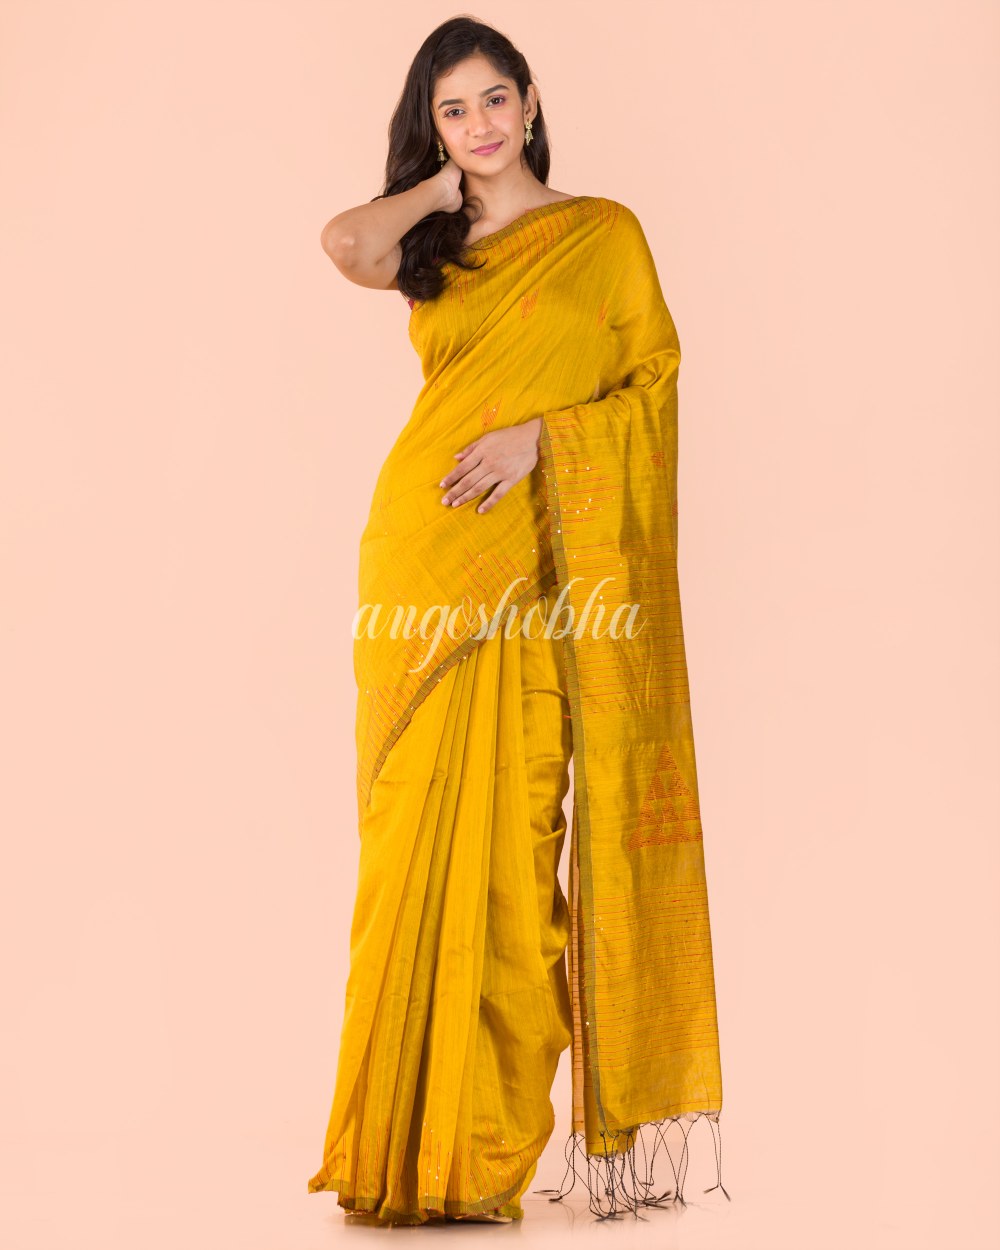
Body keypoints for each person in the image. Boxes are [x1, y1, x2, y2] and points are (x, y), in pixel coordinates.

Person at [306, 15, 728, 1225]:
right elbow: (343, 241)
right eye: (453, 109)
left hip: (544, 572)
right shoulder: (429, 244)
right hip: (424, 559)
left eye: (495, 99)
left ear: (531, 101)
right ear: (432, 128)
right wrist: (440, 188)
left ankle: (475, 1156)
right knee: (408, 847)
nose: (481, 123)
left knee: (513, 851)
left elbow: (652, 388)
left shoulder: (603, 236)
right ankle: (394, 1154)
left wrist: (542, 436)